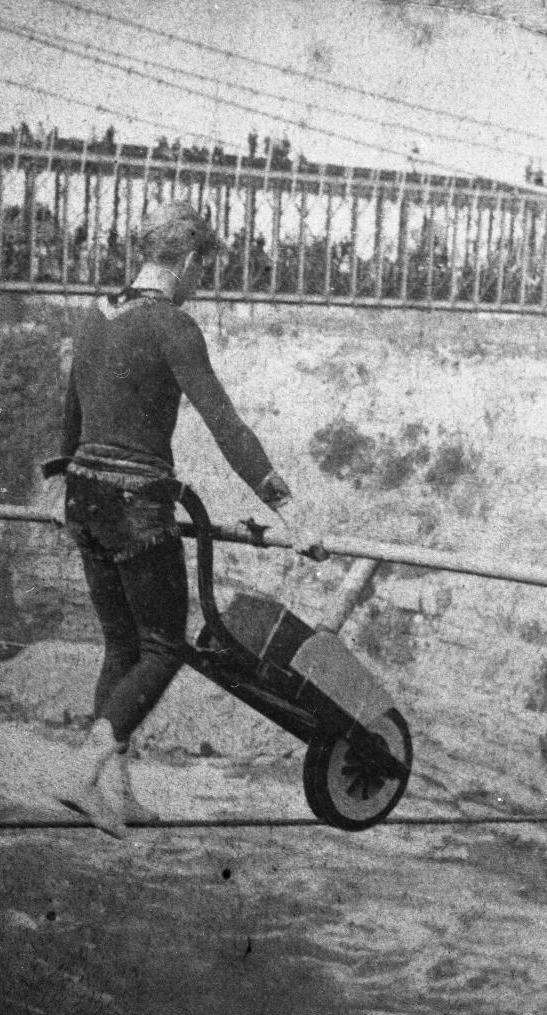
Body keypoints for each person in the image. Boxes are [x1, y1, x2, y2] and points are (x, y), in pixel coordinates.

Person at [45, 200, 324, 837]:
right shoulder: (174, 326)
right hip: (136, 505)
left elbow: (72, 411)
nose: (203, 283)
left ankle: (113, 792)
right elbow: (225, 425)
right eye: (205, 270)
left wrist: (59, 483)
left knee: (123, 644)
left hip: (83, 498)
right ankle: (82, 773)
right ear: (192, 261)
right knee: (165, 645)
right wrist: (290, 512)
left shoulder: (95, 314)